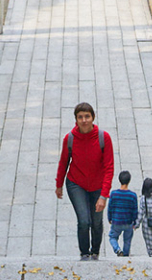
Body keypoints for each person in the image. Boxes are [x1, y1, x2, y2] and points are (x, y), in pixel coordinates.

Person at [55, 102, 114, 260]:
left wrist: (104, 196)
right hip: (76, 183)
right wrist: (58, 184)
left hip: (98, 185)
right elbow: (63, 162)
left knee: (96, 221)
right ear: (76, 120)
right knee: (83, 220)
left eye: (87, 116)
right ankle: (84, 253)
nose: (84, 120)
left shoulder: (104, 138)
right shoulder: (70, 139)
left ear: (93, 117)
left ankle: (95, 252)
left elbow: (109, 168)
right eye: (80, 117)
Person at [107, 171, 138, 257]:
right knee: (127, 240)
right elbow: (135, 210)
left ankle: (117, 250)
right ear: (129, 181)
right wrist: (134, 222)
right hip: (128, 222)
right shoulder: (132, 195)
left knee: (112, 237)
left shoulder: (114, 194)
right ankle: (125, 255)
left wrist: (110, 218)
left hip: (116, 221)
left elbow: (110, 207)